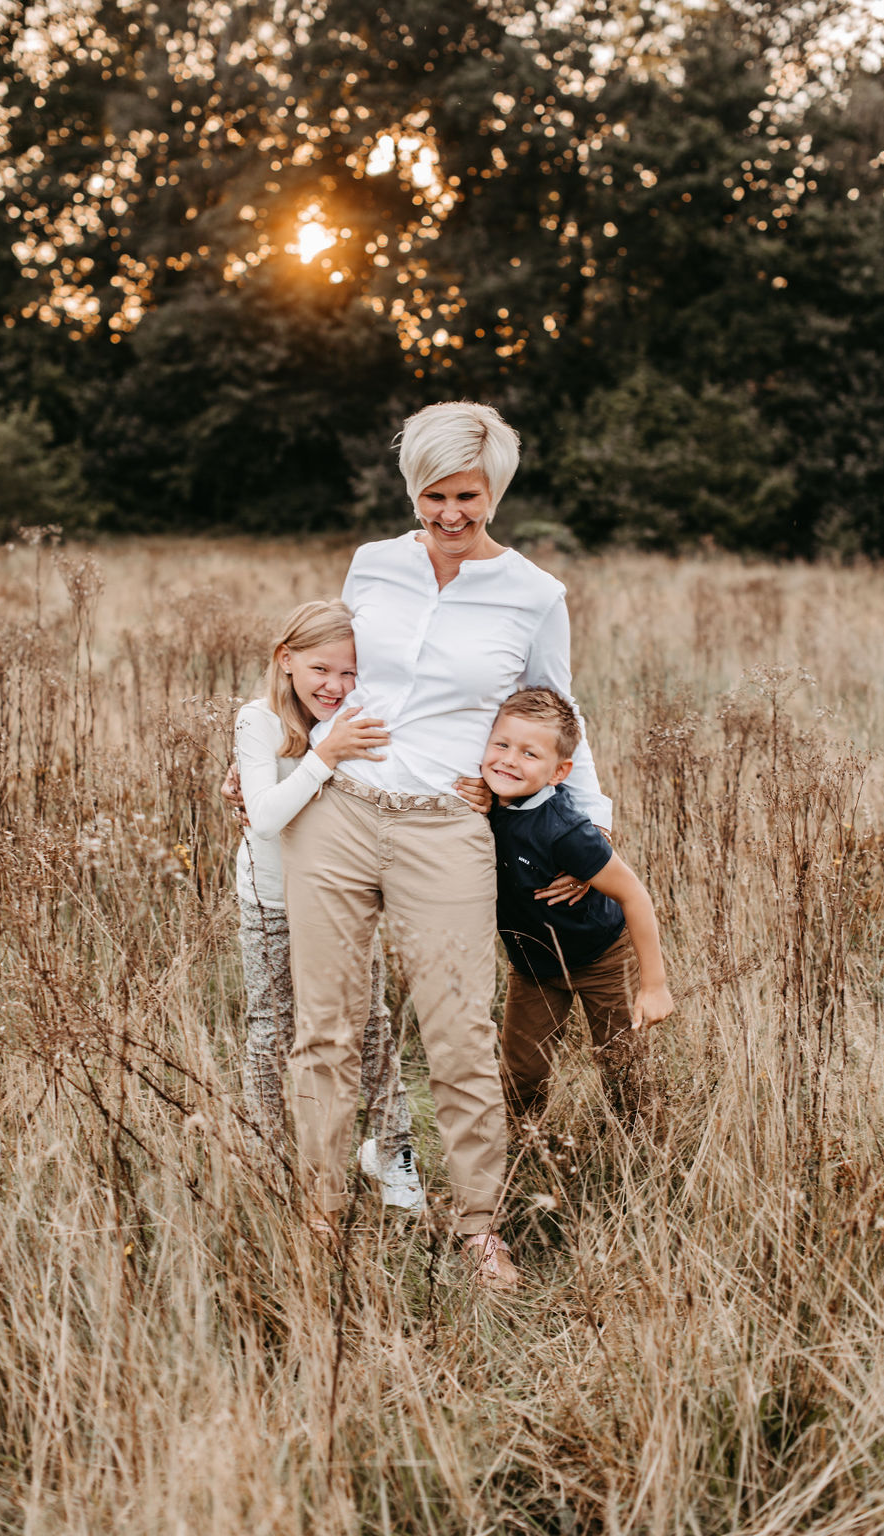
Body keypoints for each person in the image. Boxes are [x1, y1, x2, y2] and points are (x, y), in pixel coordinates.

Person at [277, 401, 614, 1292]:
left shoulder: (535, 594)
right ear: (410, 489)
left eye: (468, 495)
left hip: (447, 830)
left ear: (494, 490)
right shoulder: (373, 566)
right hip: (338, 816)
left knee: (458, 1035)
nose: (451, 514)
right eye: (433, 495)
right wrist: (286, 757)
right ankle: (320, 1213)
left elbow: (559, 714)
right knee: (326, 1030)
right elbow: (324, 676)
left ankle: (477, 1229)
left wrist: (593, 837)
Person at [233, 598, 426, 1211]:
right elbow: (263, 818)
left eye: (350, 673)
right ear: (286, 661)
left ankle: (391, 1150)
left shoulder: (362, 719)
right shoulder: (259, 721)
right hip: (271, 901)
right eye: (322, 670)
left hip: (343, 899)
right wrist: (325, 756)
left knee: (369, 1022)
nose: (337, 686)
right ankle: (267, 1155)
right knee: (273, 1028)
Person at [480, 686, 673, 1124]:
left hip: (600, 957)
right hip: (532, 967)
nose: (509, 759)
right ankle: (524, 1151)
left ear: (558, 772)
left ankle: (645, 1151)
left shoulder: (565, 830)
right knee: (522, 1073)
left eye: (530, 754)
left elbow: (633, 894)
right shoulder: (480, 805)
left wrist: (654, 984)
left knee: (623, 1065)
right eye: (502, 745)